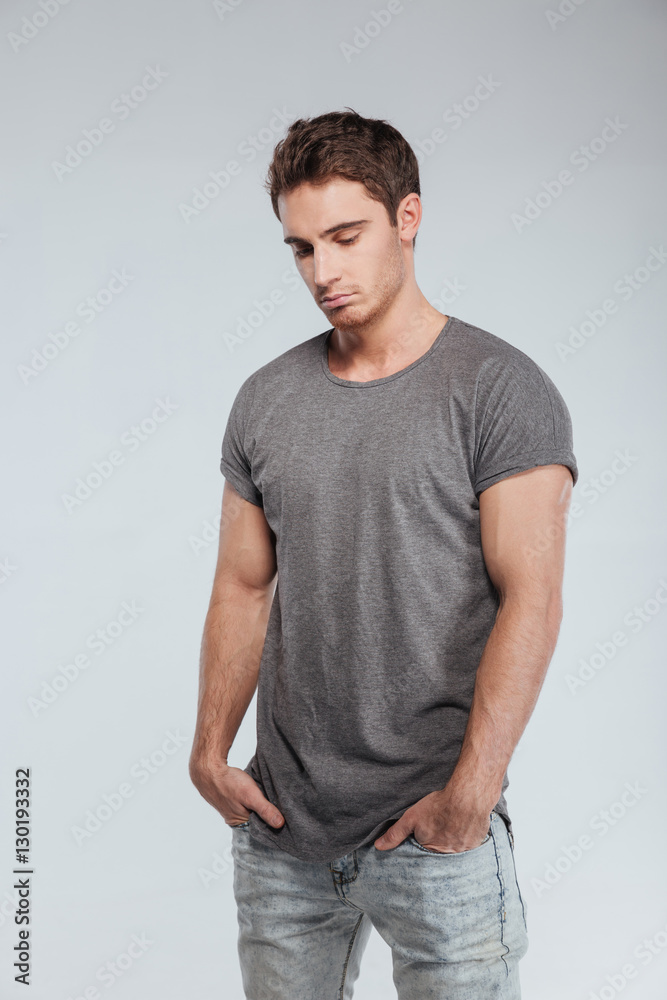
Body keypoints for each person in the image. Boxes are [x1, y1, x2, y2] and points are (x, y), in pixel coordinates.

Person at [189, 108, 578, 999]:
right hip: (284, 831)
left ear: (407, 219)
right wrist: (209, 754)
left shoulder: (497, 390)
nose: (322, 272)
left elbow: (533, 599)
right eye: (299, 248)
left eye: (345, 236)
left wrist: (469, 799)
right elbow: (243, 588)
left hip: (433, 831)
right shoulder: (265, 400)